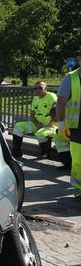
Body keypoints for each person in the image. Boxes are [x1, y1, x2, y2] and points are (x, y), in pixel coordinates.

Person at [11, 81, 57, 159]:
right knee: (18, 126)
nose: (37, 90)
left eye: (40, 88)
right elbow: (32, 115)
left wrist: (50, 124)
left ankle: (45, 153)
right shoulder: (35, 99)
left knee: (40, 133)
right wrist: (37, 124)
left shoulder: (51, 96)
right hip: (38, 124)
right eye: (35, 88)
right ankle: (16, 152)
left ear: (46, 88)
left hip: (51, 125)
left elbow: (56, 110)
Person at [56, 56, 81, 192]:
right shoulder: (71, 78)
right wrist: (61, 124)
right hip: (77, 126)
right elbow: (60, 102)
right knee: (78, 161)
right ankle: (79, 189)